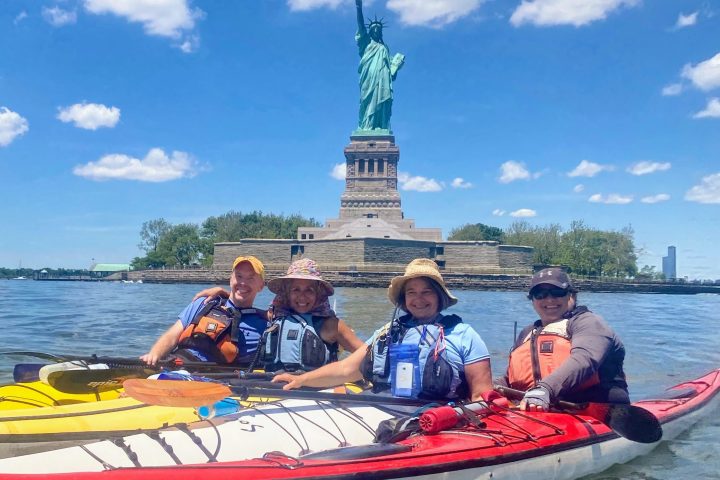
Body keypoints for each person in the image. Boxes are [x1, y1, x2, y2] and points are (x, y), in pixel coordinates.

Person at [274, 258, 494, 402]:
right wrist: (301, 380)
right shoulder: (388, 332)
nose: (418, 299)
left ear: (439, 296)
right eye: (411, 292)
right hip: (383, 409)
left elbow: (480, 396)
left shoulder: (464, 335)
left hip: (435, 421)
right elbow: (345, 370)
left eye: (426, 292)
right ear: (403, 298)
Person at [191, 258, 364, 372]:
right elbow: (246, 308)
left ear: (319, 294)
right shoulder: (276, 317)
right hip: (274, 392)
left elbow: (367, 354)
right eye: (296, 290)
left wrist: (343, 371)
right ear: (286, 293)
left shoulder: (332, 325)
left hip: (313, 395)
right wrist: (224, 294)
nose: (302, 297)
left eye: (309, 290)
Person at [500, 267, 629, 411]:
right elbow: (509, 378)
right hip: (538, 410)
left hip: (595, 410)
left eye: (557, 292)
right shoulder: (527, 333)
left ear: (570, 295)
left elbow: (584, 359)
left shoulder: (588, 323)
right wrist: (486, 390)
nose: (549, 299)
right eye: (540, 294)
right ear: (532, 300)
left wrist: (545, 389)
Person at [140, 256, 268, 366]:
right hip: (178, 364)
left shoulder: (266, 325)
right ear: (230, 279)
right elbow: (172, 335)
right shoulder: (205, 303)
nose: (243, 283)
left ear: (261, 286)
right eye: (238, 276)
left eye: (250, 278)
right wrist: (154, 355)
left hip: (215, 379)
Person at [355, 0, 404, 131]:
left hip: (383, 78)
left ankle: (380, 125)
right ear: (370, 31)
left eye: (378, 29)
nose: (376, 30)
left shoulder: (384, 48)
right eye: (373, 28)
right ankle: (367, 126)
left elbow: (391, 72)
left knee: (382, 100)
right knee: (368, 100)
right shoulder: (365, 42)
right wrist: (358, 7)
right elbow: (360, 25)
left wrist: (396, 67)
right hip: (369, 77)